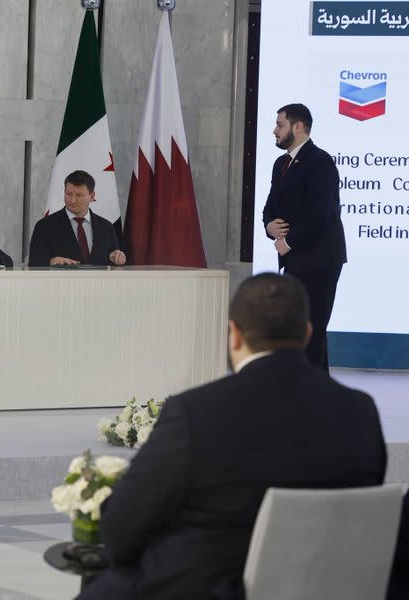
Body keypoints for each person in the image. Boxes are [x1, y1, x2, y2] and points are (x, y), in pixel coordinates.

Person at [77, 273, 387, 600]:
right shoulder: (360, 412)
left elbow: (120, 530)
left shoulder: (195, 413)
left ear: (234, 334)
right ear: (308, 334)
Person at [262, 103, 346, 372]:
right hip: (296, 261)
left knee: (313, 328)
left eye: (280, 124)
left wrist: (287, 241)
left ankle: (312, 396)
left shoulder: (320, 161)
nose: (275, 130)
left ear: (298, 127)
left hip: (320, 259)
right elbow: (270, 206)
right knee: (300, 329)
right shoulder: (281, 163)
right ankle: (316, 393)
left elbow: (320, 214)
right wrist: (269, 226)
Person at [28, 170, 125, 267]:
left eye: (79, 195)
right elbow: (33, 263)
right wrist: (51, 261)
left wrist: (117, 260)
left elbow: (113, 262)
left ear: (92, 196)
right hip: (61, 281)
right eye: (69, 194)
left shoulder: (106, 227)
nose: (73, 200)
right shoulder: (44, 226)